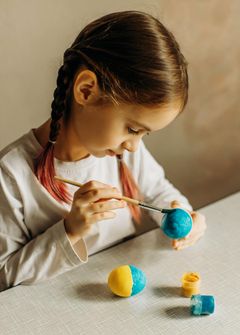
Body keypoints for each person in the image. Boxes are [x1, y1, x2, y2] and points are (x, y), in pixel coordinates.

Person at [0, 10, 206, 292]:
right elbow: (3, 277)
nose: (134, 145)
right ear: (86, 91)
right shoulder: (10, 176)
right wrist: (69, 230)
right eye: (133, 129)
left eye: (144, 134)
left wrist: (183, 215)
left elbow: (159, 191)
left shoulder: (126, 152)